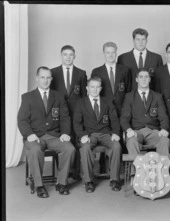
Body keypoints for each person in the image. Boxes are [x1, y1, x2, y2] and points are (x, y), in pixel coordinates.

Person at [17, 66, 75, 198]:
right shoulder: (28, 97)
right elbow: (22, 120)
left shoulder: (59, 96)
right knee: (35, 150)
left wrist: (66, 132)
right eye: (42, 77)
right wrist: (29, 134)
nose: (45, 80)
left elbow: (65, 117)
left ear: (51, 79)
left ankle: (61, 183)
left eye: (48, 77)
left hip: (54, 136)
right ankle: (39, 185)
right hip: (35, 137)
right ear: (37, 78)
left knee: (69, 149)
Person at [73, 77, 122, 192]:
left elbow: (115, 120)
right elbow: (76, 122)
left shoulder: (107, 101)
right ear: (87, 88)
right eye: (92, 87)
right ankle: (88, 181)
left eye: (97, 87)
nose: (95, 89)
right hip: (89, 134)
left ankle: (114, 179)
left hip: (106, 133)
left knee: (117, 146)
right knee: (85, 148)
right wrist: (82, 135)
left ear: (101, 88)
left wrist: (115, 133)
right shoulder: (81, 103)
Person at [50, 45, 88, 180]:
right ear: (61, 55)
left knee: (77, 141)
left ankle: (76, 172)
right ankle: (62, 172)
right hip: (59, 115)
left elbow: (84, 96)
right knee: (61, 141)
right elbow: (51, 96)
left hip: (76, 113)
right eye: (65, 54)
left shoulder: (81, 73)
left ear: (74, 56)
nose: (68, 57)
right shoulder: (53, 73)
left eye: (70, 55)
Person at [120, 68, 170, 158]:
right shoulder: (129, 96)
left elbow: (164, 117)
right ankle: (135, 171)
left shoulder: (157, 96)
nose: (144, 79)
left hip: (153, 132)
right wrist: (128, 130)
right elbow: (124, 118)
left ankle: (162, 170)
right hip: (136, 131)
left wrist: (164, 129)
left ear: (150, 79)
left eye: (146, 77)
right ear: (136, 79)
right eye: (141, 77)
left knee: (165, 140)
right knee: (132, 141)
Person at [91, 42, 131, 117]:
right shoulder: (96, 71)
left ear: (116, 53)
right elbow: (94, 93)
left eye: (113, 52)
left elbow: (128, 91)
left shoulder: (125, 70)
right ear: (104, 53)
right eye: (108, 52)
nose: (110, 55)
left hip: (122, 108)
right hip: (104, 109)